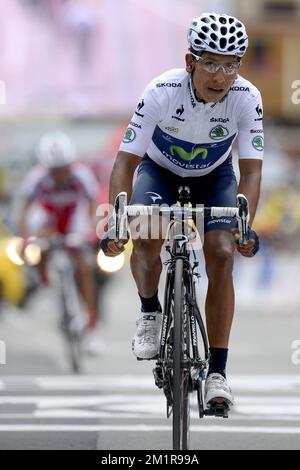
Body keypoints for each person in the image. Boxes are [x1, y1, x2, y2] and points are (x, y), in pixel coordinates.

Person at [100, 12, 263, 409]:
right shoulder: (161, 90)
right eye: (211, 62)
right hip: (159, 172)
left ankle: (218, 374)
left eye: (231, 64)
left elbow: (252, 170)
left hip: (214, 176)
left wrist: (246, 226)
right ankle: (150, 310)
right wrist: (117, 221)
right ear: (190, 61)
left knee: (222, 252)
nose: (221, 76)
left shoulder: (247, 97)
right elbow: (125, 163)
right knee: (147, 231)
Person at [18, 131, 102, 355]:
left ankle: (91, 328)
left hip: (73, 216)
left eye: (63, 168)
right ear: (45, 167)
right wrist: (25, 238)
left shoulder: (82, 175)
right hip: (47, 217)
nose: (59, 174)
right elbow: (24, 209)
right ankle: (44, 284)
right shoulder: (36, 178)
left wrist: (93, 229)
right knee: (41, 243)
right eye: (54, 170)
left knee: (83, 267)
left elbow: (94, 202)